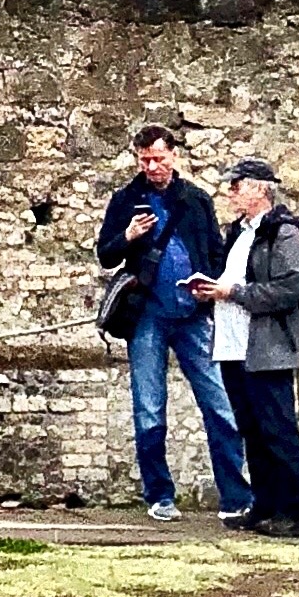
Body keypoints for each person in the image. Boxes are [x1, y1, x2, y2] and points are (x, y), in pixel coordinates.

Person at [95, 124, 251, 526]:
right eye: (145, 160)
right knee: (149, 409)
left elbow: (215, 252)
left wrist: (210, 286)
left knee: (219, 406)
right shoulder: (126, 200)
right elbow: (106, 255)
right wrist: (128, 235)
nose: (152, 167)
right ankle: (159, 494)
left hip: (194, 316)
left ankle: (235, 497)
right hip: (147, 316)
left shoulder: (196, 200)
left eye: (159, 159)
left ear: (174, 157)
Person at [193, 159, 299, 540]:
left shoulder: (284, 234)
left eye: (237, 185)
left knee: (278, 430)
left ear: (260, 189)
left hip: (266, 347)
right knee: (252, 430)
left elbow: (289, 289)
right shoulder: (239, 233)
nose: (230, 192)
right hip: (233, 347)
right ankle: (264, 506)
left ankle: (292, 513)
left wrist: (233, 293)